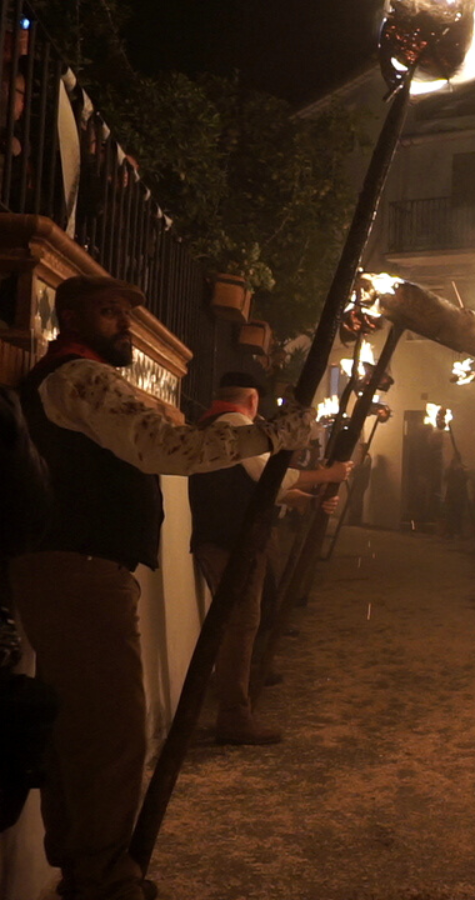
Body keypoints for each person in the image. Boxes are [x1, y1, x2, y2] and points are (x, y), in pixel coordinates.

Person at [7, 275, 315, 900]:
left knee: (82, 730)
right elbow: (165, 447)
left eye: (127, 313)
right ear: (69, 317)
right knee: (109, 732)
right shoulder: (76, 377)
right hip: (79, 571)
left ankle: (83, 867)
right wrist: (275, 435)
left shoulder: (76, 378)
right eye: (109, 312)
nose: (124, 324)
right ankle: (103, 879)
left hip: (76, 568)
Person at [189, 372, 352, 745]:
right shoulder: (233, 423)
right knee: (241, 624)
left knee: (242, 622)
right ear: (252, 400)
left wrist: (311, 502)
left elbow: (263, 489)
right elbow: (271, 478)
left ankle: (236, 697)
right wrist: (328, 474)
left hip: (232, 537)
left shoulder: (222, 423)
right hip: (232, 540)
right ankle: (234, 715)